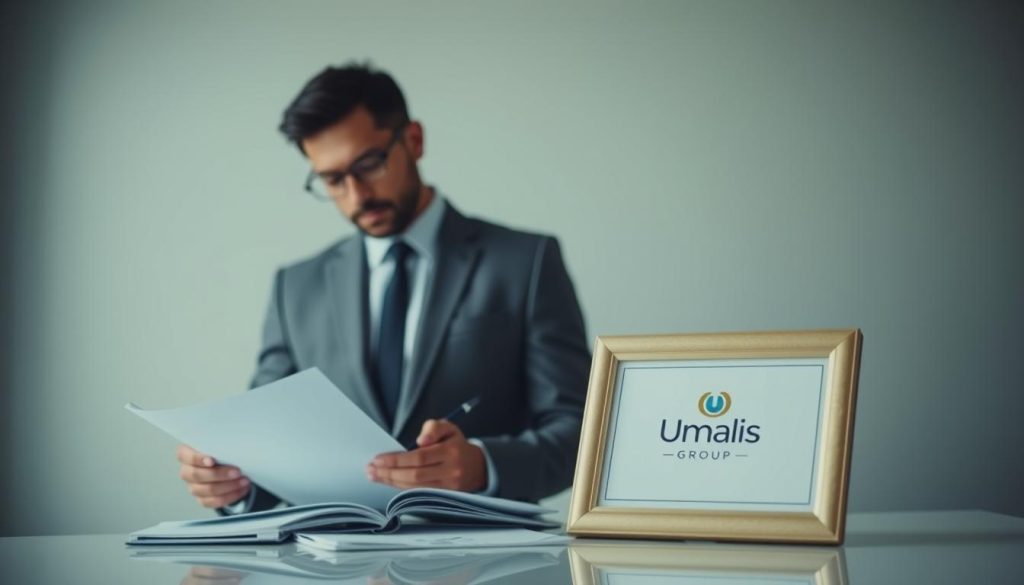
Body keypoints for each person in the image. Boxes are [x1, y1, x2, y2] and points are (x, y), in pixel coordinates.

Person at [175, 63, 590, 512]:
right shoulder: (294, 288)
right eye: (332, 180)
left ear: (413, 140)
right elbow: (266, 440)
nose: (356, 196)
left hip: (485, 566)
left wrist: (483, 465)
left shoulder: (525, 262)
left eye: (368, 165)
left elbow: (578, 431)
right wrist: (232, 481)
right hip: (340, 568)